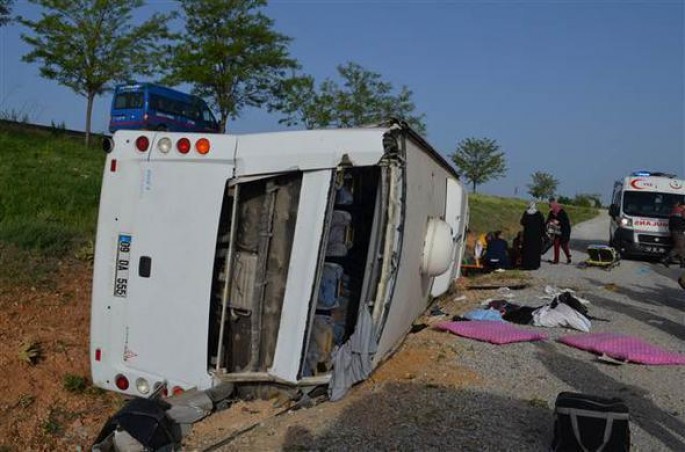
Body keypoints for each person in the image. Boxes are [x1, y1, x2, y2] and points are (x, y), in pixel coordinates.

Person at [520, 201, 546, 270]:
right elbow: (542, 225)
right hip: (536, 236)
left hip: (528, 235)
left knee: (527, 250)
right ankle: (535, 265)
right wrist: (543, 234)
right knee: (535, 251)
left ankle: (526, 265)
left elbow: (522, 222)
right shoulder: (539, 214)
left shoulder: (526, 213)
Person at [546, 198, 572, 264]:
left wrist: (557, 222)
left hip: (565, 230)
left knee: (564, 245)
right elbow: (547, 221)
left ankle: (568, 257)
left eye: (551, 204)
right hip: (557, 230)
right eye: (549, 205)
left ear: (554, 203)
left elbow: (565, 222)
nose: (550, 206)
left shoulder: (561, 212)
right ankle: (556, 260)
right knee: (556, 244)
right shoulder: (551, 212)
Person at [662, 200, 685, 268]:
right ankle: (666, 258)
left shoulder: (675, 210)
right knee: (679, 246)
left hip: (674, 230)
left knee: (682, 246)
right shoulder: (682, 211)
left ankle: (682, 262)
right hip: (678, 231)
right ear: (683, 205)